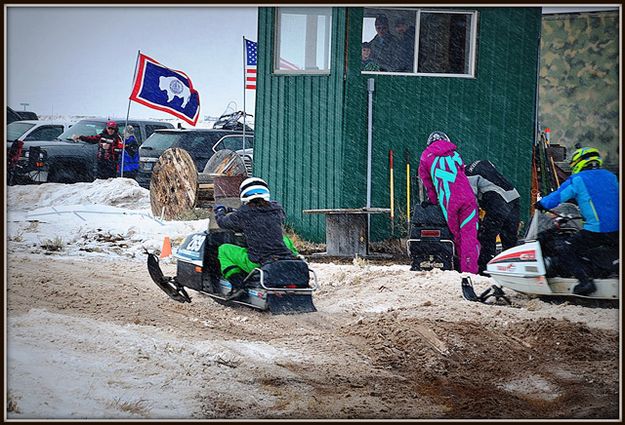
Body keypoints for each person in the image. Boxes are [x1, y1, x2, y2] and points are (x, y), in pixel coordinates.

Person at [534, 147, 619, 296]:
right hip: (617, 230)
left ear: (579, 163)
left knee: (567, 251)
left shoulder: (579, 179)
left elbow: (558, 196)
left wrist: (541, 204)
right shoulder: (610, 177)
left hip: (597, 230)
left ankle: (585, 282)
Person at [214, 177, 300, 300]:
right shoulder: (277, 209)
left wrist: (220, 211)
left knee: (224, 250)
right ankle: (296, 261)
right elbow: (263, 212)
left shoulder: (243, 214)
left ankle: (238, 286)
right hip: (282, 257)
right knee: (285, 240)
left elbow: (223, 223)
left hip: (258, 261)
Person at [418, 131, 480, 274]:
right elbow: (461, 172)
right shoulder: (455, 154)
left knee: (457, 236)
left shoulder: (425, 157)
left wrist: (433, 201)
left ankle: (458, 269)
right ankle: (471, 272)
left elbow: (428, 184)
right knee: (469, 237)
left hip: (449, 200)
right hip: (467, 197)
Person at [466, 159, 521, 274]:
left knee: (487, 236)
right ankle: (513, 269)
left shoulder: (467, 174)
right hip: (514, 196)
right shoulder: (483, 163)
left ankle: (485, 270)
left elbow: (471, 199)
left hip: (498, 201)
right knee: (509, 238)